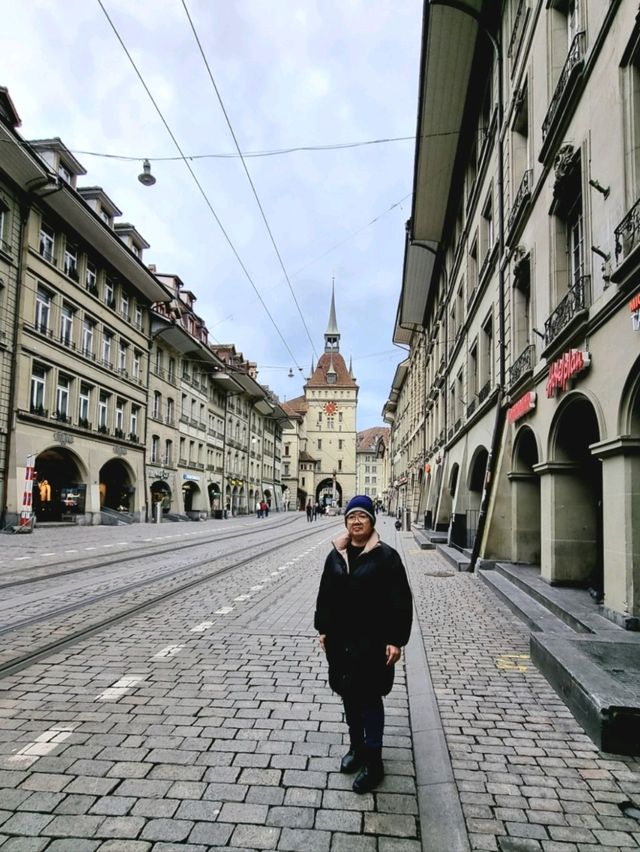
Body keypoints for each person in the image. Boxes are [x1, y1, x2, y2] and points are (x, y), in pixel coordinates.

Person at [314, 494, 413, 794]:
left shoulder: (387, 557)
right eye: (352, 517)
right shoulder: (336, 555)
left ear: (372, 521)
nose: (357, 521)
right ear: (346, 521)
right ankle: (356, 748)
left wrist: (396, 640)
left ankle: (374, 761)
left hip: (372, 644)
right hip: (341, 643)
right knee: (348, 696)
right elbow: (325, 596)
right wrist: (323, 629)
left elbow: (401, 602)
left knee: (370, 699)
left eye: (362, 516)